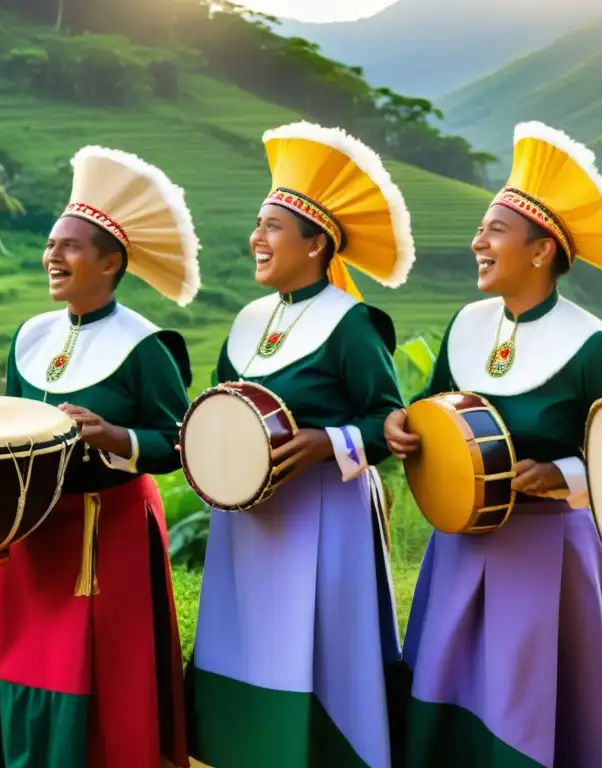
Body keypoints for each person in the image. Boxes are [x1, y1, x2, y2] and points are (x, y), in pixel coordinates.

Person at [385, 120, 602, 767]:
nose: (477, 242)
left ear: (541, 249)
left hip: (546, 555)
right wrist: (403, 429)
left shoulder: (595, 348)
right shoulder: (467, 326)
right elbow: (440, 414)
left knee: (526, 706)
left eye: (494, 231)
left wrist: (563, 473)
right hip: (457, 548)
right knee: (446, 690)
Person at [185, 121, 413, 768]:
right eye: (257, 225)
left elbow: (389, 422)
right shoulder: (247, 321)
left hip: (325, 517)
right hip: (247, 520)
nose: (256, 238)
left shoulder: (353, 323)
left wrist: (325, 442)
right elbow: (217, 408)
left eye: (272, 228)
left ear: (316, 244)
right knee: (249, 641)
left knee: (318, 647)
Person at [0, 145, 200, 768]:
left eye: (69, 247)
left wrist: (111, 437)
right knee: (26, 658)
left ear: (111, 262)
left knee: (99, 668)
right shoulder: (30, 336)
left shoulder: (147, 346)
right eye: (51, 244)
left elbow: (179, 443)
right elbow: (6, 429)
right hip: (32, 535)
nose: (52, 256)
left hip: (107, 536)